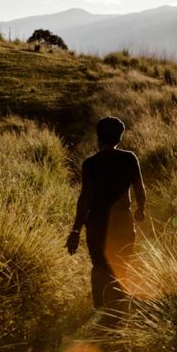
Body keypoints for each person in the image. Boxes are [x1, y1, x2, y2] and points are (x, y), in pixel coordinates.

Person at [66, 116, 146, 313]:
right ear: (119, 138)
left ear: (98, 138)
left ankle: (99, 310)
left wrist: (76, 230)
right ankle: (118, 311)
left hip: (97, 224)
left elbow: (85, 199)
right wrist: (140, 209)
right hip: (123, 221)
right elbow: (139, 189)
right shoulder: (129, 158)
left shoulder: (91, 164)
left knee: (99, 267)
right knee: (121, 265)